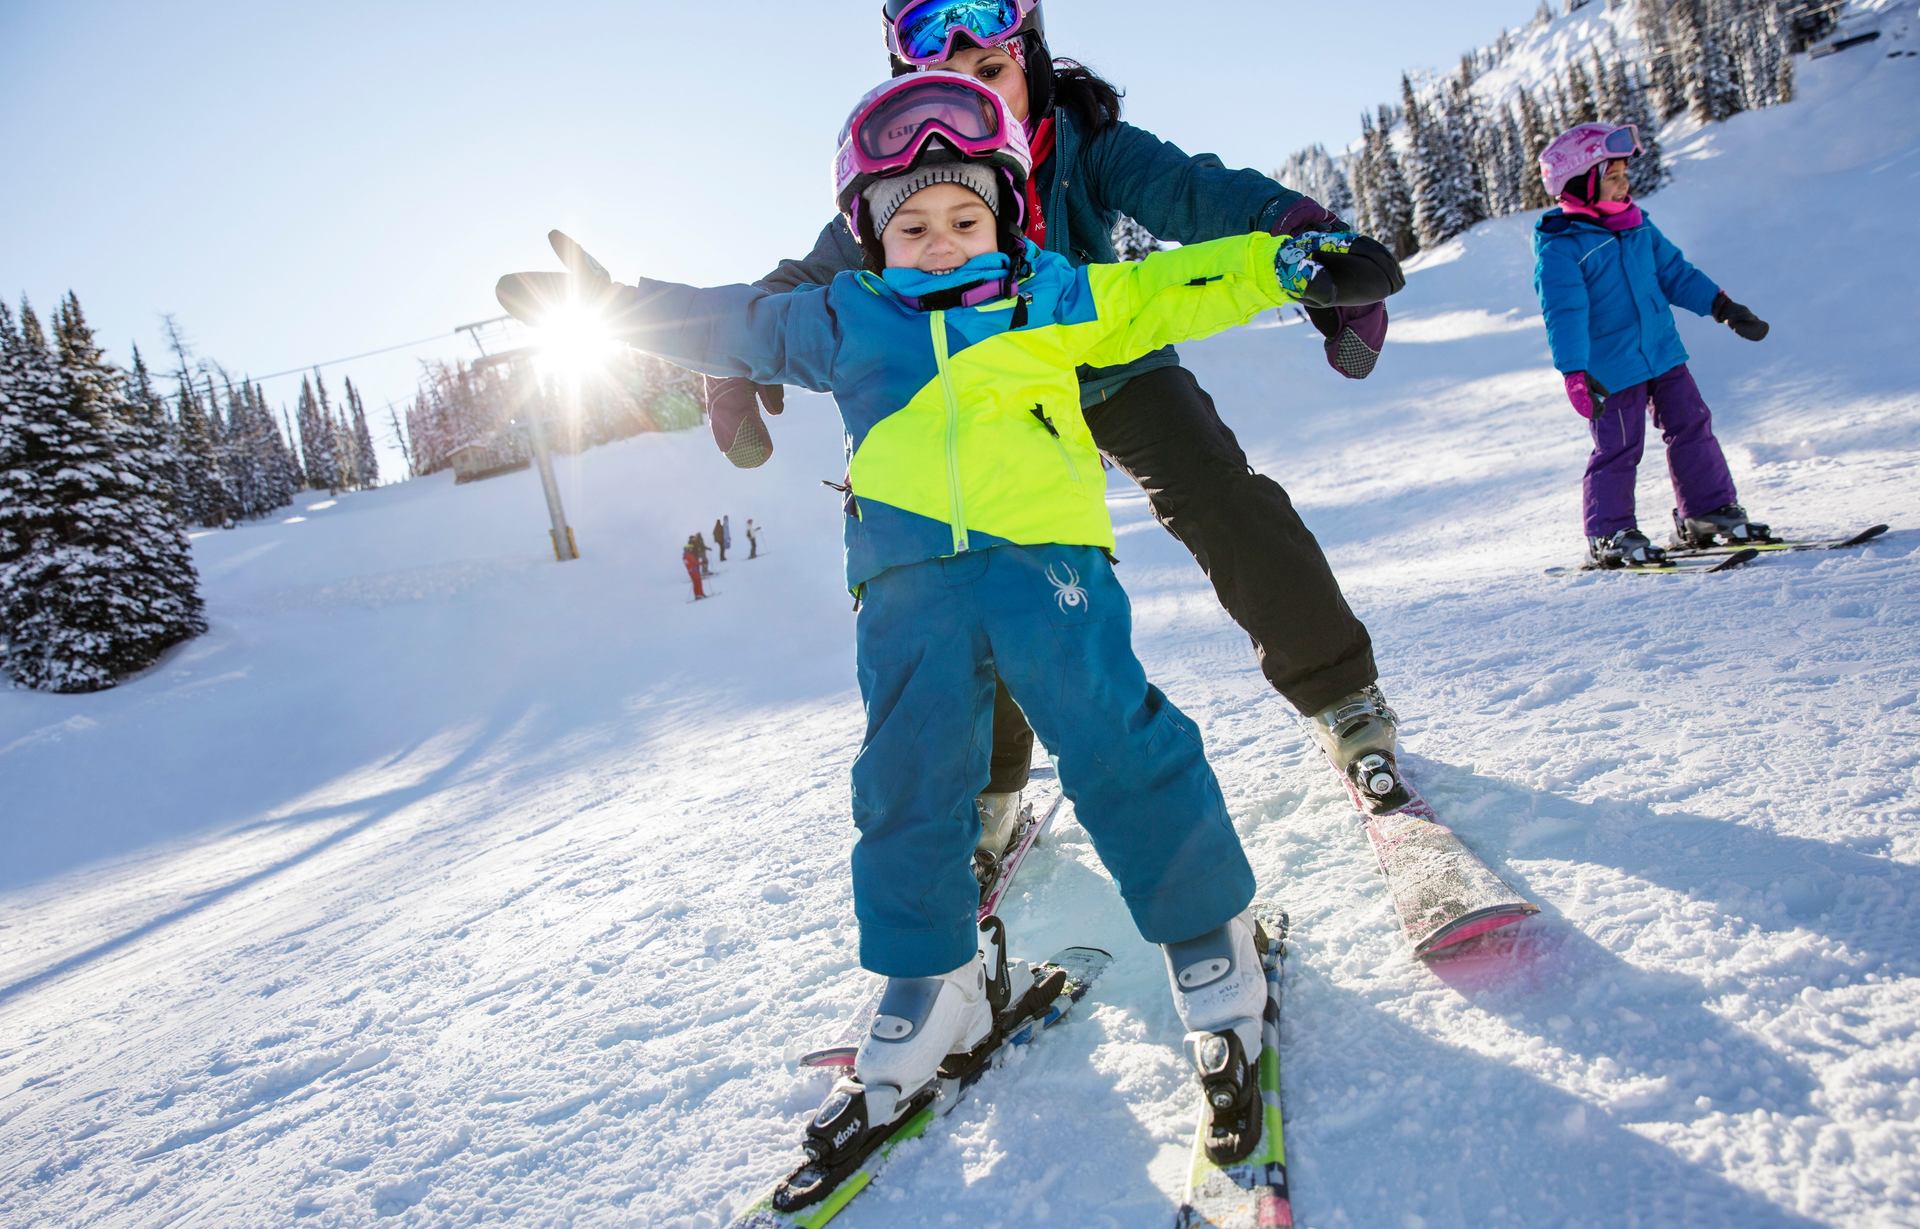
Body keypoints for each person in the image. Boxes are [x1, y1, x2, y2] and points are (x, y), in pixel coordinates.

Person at [495, 72, 1402, 1170]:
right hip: (907, 591)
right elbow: (725, 317)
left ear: (1006, 216)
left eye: (965, 216)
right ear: (870, 236)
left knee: (1116, 739)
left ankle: (1207, 930)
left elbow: (1168, 289)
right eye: (911, 223)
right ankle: (931, 979)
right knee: (909, 781)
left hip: (1046, 568)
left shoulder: (1052, 293)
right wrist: (614, 306)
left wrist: (1287, 260)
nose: (939, 240)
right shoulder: (840, 318)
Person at [704, 0, 1412, 826]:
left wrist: (1300, 235)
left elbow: (1194, 192)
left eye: (992, 63)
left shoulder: (1086, 145)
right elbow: (807, 276)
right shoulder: (910, 178)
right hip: (993, 397)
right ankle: (991, 788)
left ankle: (1343, 698)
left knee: (1218, 493)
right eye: (946, 73)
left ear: (1031, 55)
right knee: (974, 549)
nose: (974, 80)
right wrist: (732, 360)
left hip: (1113, 360)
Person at [1533, 121, 1773, 569]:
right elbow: (1563, 315)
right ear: (1581, 184)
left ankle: (1706, 511)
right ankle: (1609, 532)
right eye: (1613, 177)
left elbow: (1675, 274)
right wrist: (1575, 373)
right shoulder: (1562, 248)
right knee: (1620, 447)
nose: (1625, 184)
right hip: (1611, 367)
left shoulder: (1639, 225)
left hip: (1663, 352)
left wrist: (1723, 306)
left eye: (1625, 174)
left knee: (1692, 424)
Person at [683, 534, 707, 600]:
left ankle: (700, 594)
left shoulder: (687, 555)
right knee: (697, 582)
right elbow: (693, 562)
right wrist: (701, 563)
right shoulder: (687, 556)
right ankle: (698, 595)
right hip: (693, 571)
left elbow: (694, 562)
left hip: (693, 570)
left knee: (698, 582)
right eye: (690, 548)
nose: (691, 549)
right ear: (687, 549)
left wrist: (699, 563)